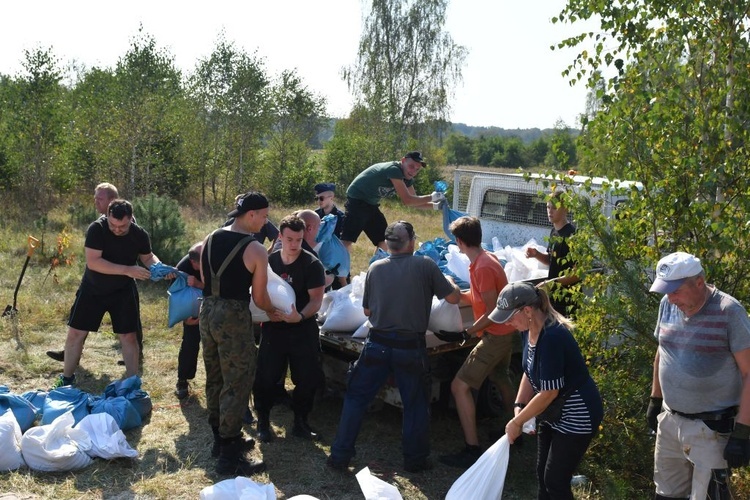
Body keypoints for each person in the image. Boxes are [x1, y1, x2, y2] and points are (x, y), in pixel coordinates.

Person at [327, 220, 462, 473]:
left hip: (377, 344)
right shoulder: (425, 265)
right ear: (411, 242)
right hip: (410, 348)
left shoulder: (376, 268)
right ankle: (415, 460)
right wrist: (450, 282)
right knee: (415, 405)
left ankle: (339, 456)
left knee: (356, 399)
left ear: (388, 244)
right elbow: (453, 298)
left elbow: (367, 310)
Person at [646, 252, 750, 499]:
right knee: (665, 495)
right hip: (670, 421)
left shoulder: (729, 311)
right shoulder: (667, 305)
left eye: (676, 291)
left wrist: (744, 430)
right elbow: (662, 352)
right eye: (666, 291)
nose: (671, 299)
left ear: (699, 282)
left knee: (709, 495)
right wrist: (654, 400)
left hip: (711, 428)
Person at [491, 281, 602, 499]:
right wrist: (519, 406)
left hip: (577, 414)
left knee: (555, 481)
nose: (508, 323)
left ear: (527, 311)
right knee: (543, 475)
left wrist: (518, 422)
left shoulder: (552, 337)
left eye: (510, 317)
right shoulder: (527, 330)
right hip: (554, 412)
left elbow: (549, 392)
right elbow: (529, 372)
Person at [52, 199, 165, 388]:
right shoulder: (97, 229)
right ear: (107, 216)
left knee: (129, 336)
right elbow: (94, 262)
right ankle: (67, 378)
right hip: (93, 289)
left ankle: (131, 382)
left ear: (131, 219)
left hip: (123, 291)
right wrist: (128, 270)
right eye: (113, 225)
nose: (118, 229)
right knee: (76, 333)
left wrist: (159, 267)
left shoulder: (139, 234)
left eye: (123, 226)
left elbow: (147, 257)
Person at [200, 191, 274, 476]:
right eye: (265, 216)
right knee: (239, 379)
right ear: (251, 214)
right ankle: (229, 457)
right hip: (233, 316)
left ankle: (219, 440)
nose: (266, 222)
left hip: (207, 310)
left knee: (215, 374)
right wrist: (273, 312)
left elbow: (206, 280)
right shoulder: (255, 249)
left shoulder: (210, 238)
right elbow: (260, 297)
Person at [439, 216, 517, 469]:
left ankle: (472, 448)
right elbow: (478, 297)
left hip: (496, 335)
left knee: (459, 387)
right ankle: (516, 431)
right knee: (501, 377)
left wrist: (468, 332)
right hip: (504, 333)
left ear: (460, 241)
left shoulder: (482, 266)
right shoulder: (484, 260)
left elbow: (493, 309)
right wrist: (451, 293)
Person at [47, 182, 146, 363]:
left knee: (129, 325)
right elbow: (93, 260)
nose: (95, 201)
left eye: (99, 198)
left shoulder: (126, 222)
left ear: (112, 201)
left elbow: (139, 253)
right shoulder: (99, 224)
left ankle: (135, 354)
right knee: (79, 322)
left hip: (122, 284)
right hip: (94, 282)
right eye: (95, 197)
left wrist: (134, 269)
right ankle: (70, 354)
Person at [253, 214, 326, 443]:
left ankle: (301, 423)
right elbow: (256, 291)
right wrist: (265, 312)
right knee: (265, 376)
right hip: (273, 328)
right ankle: (263, 423)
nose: (294, 245)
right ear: (280, 237)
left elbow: (316, 300)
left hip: (302, 329)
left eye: (299, 239)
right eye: (290, 239)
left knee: (306, 378)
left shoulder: (312, 264)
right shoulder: (269, 261)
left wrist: (300, 316)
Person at [340, 151, 445, 253]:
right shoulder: (394, 170)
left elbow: (414, 201)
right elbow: (407, 200)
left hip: (371, 204)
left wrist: (436, 206)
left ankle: (376, 269)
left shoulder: (407, 177)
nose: (413, 171)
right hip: (357, 201)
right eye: (411, 166)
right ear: (403, 161)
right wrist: (433, 197)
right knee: (347, 240)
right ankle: (340, 269)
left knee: (384, 241)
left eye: (417, 169)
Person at [525, 190, 580, 316]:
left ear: (565, 209)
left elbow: (577, 274)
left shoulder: (573, 235)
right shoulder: (553, 232)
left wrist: (551, 283)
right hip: (554, 299)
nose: (550, 211)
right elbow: (552, 261)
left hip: (569, 301)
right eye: (548, 207)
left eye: (554, 207)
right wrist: (536, 254)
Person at [174, 242, 203, 400]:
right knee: (190, 342)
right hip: (192, 306)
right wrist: (186, 317)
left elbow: (223, 288)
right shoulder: (183, 267)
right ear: (193, 262)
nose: (206, 265)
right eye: (202, 264)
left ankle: (219, 384)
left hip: (216, 305)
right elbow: (176, 295)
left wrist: (199, 284)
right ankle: (182, 380)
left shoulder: (214, 258)